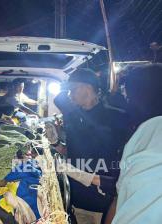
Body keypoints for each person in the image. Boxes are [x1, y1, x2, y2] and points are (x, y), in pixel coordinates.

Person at [54, 68, 129, 224]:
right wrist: (57, 145)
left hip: (100, 200)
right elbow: (74, 150)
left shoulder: (117, 117)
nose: (70, 94)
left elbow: (126, 160)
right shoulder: (73, 117)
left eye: (73, 89)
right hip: (73, 194)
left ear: (87, 88)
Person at [112, 64, 162, 224]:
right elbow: (121, 194)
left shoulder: (149, 130)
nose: (126, 101)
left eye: (129, 96)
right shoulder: (143, 131)